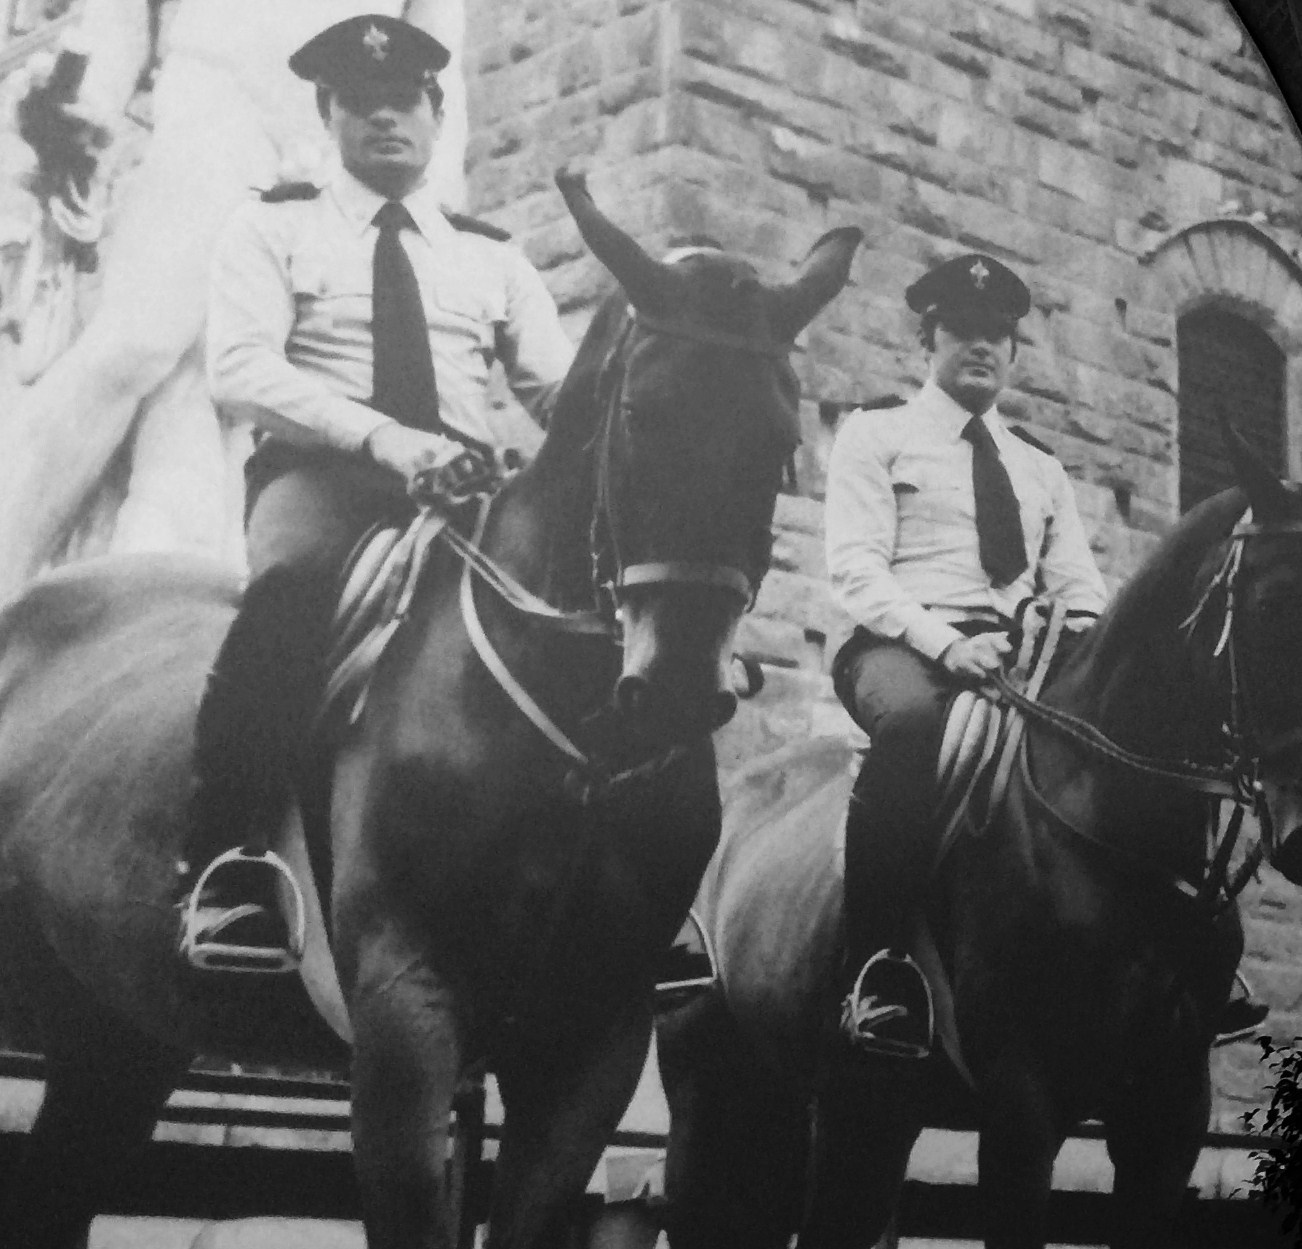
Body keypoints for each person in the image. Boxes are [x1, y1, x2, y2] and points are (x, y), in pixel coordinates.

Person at [179, 13, 574, 973]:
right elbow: (238, 369)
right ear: (329, 114)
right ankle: (228, 863)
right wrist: (384, 437)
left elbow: (555, 390)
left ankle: (639, 879)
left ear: (437, 116)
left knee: (591, 609)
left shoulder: (493, 256)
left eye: (405, 103)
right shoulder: (274, 226)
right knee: (289, 592)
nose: (384, 120)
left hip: (467, 485)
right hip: (326, 476)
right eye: (362, 105)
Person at [0, 0, 469, 588]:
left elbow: (441, 63)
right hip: (216, 92)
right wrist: (87, 101)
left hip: (341, 139)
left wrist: (436, 199)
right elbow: (118, 24)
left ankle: (168, 583)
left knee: (221, 387)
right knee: (139, 340)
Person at [824, 253, 1110, 1058]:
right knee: (915, 729)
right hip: (900, 646)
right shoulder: (876, 433)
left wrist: (1066, 645)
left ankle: (1170, 947)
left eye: (997, 334)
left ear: (1013, 350)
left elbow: (1081, 590)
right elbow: (856, 570)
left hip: (1019, 657)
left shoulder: (1039, 465)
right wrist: (950, 645)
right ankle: (875, 969)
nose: (981, 346)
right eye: (962, 329)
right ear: (928, 337)